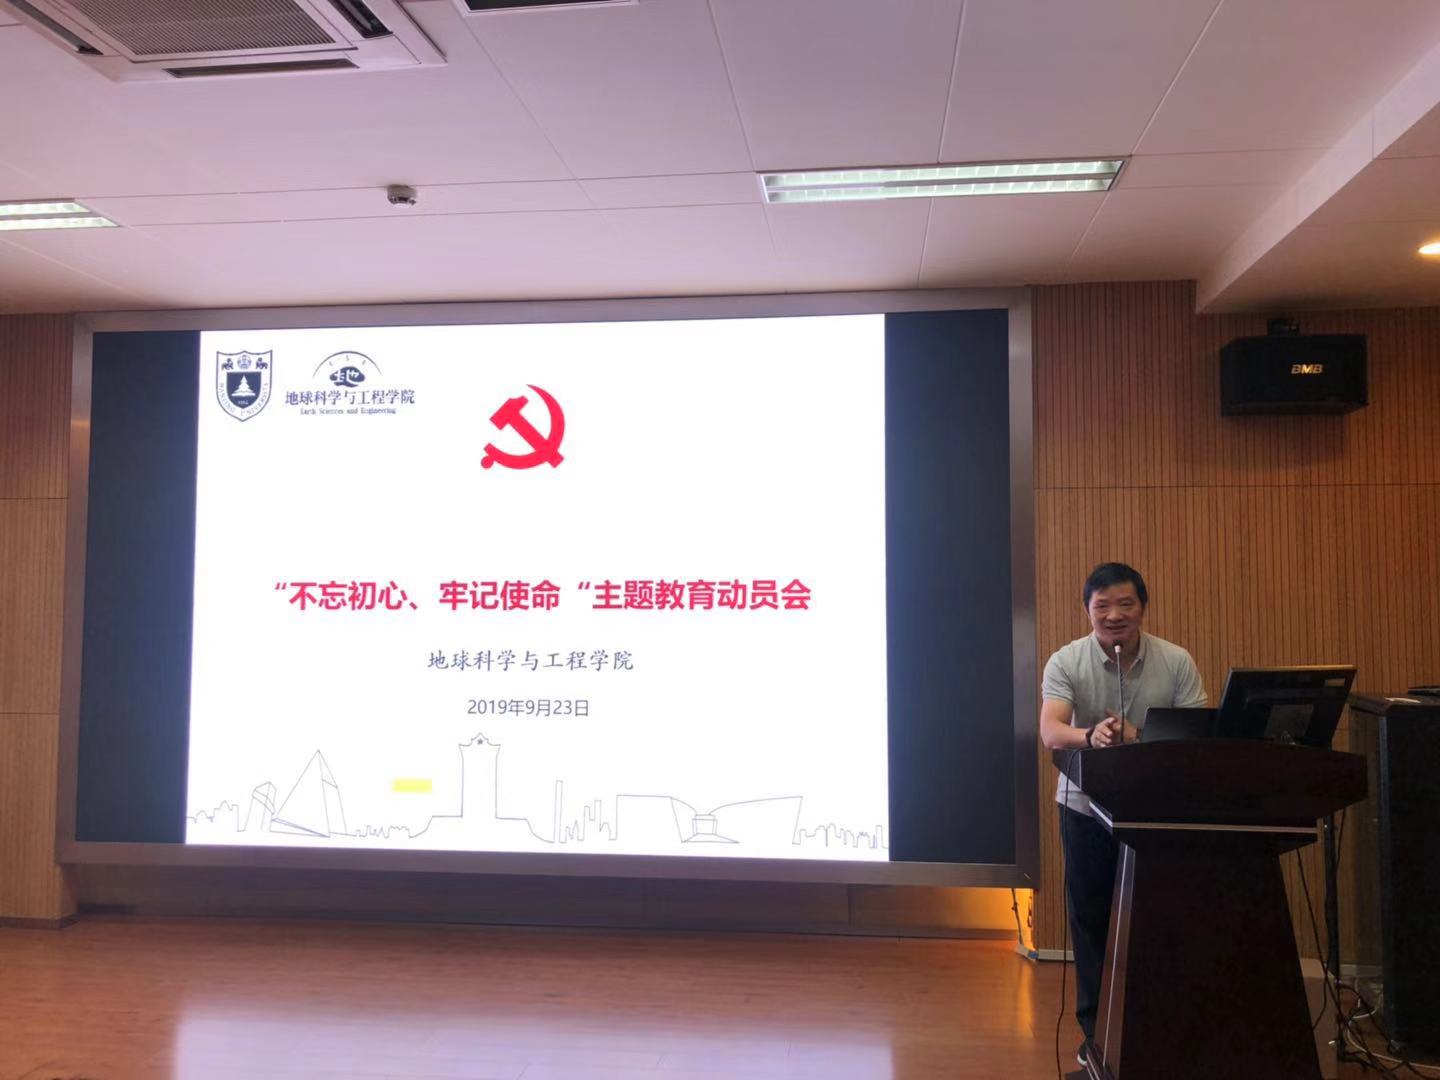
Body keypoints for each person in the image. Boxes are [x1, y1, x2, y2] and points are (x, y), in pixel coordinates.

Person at [1039, 562, 1207, 1068]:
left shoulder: (1175, 660)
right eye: (1102, 606)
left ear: (1143, 608)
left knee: (1157, 920)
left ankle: (1156, 1025)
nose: (1114, 615)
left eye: (1125, 604)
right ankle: (1096, 1035)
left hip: (1155, 812)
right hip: (1084, 808)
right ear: (1087, 611)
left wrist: (1140, 736)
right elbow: (1051, 731)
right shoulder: (1066, 660)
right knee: (1090, 919)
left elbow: (1198, 735)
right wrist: (1090, 736)